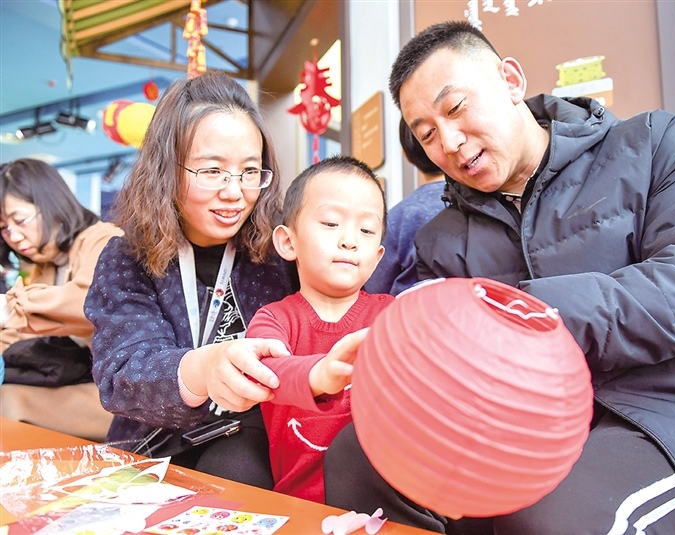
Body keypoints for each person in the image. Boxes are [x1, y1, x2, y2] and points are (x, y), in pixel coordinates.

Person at [322, 21, 675, 535]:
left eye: (456, 108)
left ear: (511, 81)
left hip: (667, 413)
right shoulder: (441, 239)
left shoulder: (651, 144)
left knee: (553, 515)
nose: (449, 142)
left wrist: (530, 315)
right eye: (427, 135)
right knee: (357, 455)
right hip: (520, 425)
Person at [84, 70, 298, 487]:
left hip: (256, 444)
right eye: (212, 170)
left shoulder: (279, 250)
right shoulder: (127, 257)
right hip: (154, 449)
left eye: (250, 171)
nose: (235, 192)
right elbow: (122, 374)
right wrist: (203, 369)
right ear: (166, 169)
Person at [246, 155, 393, 503]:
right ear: (288, 242)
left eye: (366, 230)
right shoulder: (273, 319)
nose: (350, 240)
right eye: (330, 223)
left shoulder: (391, 316)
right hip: (299, 507)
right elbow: (264, 369)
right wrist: (320, 375)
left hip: (381, 506)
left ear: (377, 256)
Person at [0, 158, 122, 441]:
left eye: (20, 221)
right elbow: (18, 334)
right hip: (77, 378)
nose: (13, 236)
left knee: (9, 402)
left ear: (50, 204)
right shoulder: (45, 267)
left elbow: (87, 303)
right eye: (4, 228)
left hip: (118, 392)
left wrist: (10, 308)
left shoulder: (104, 240)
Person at [364, 118, 446, 295]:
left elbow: (375, 287)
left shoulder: (398, 217)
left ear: (406, 154)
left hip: (408, 310)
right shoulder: (483, 202)